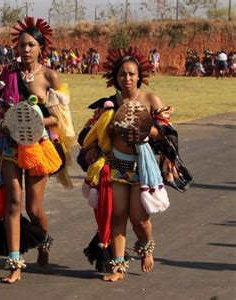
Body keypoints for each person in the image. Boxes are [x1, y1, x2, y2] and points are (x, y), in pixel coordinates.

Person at [80, 47, 192, 282]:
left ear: (139, 75)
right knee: (118, 215)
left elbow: (167, 135)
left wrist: (143, 126)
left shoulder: (151, 100)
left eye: (131, 74)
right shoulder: (109, 103)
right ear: (115, 78)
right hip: (117, 165)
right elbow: (91, 134)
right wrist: (93, 148)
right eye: (122, 74)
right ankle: (118, 267)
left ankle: (145, 246)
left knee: (139, 219)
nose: (127, 78)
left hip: (143, 168)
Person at [0, 16, 75, 284]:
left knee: (34, 208)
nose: (25, 50)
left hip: (37, 145)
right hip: (9, 146)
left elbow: (59, 117)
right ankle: (15, 263)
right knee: (13, 201)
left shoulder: (49, 76)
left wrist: (34, 121)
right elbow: (0, 109)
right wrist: (3, 124)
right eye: (21, 45)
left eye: (31, 45)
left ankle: (43, 243)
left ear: (40, 47)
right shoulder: (7, 73)